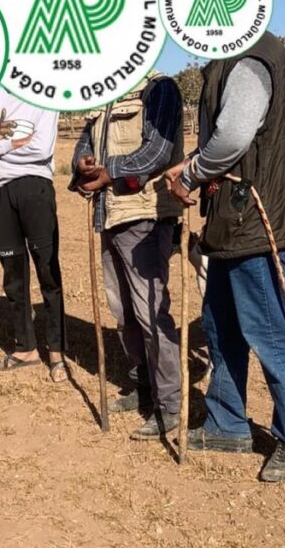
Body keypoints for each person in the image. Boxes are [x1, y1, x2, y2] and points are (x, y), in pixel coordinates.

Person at [166, 30, 285, 483]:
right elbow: (233, 134)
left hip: (254, 217)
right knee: (221, 324)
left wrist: (190, 175)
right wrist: (194, 160)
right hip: (233, 220)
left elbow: (234, 136)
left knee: (268, 330)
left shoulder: (250, 59)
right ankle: (227, 424)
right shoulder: (232, 56)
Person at [70, 71, 185, 440]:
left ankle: (170, 406)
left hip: (145, 214)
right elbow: (86, 142)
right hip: (110, 215)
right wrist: (83, 162)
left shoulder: (159, 88)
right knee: (122, 312)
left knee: (150, 313)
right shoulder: (104, 89)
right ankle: (144, 388)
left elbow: (158, 151)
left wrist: (109, 174)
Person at [0, 87, 66, 382]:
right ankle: (26, 349)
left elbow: (41, 149)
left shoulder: (48, 95)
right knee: (13, 274)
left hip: (34, 187)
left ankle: (57, 352)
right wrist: (16, 143)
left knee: (47, 271)